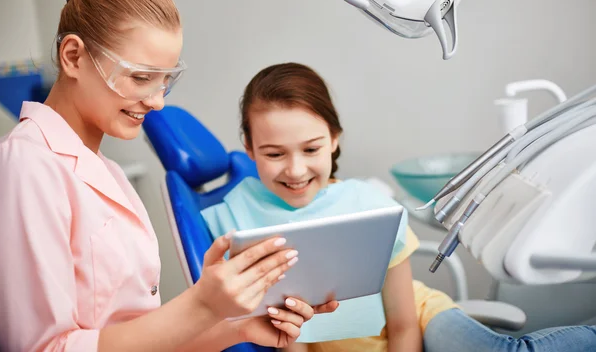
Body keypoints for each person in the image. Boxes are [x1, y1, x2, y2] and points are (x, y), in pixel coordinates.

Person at [0, 0, 337, 352]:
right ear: (73, 57)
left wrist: (239, 327)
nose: (158, 102)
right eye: (141, 77)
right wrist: (202, 303)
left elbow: (137, 336)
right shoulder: (25, 165)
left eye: (166, 81)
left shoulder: (106, 172)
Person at [201, 62, 596, 352]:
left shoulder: (371, 208)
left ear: (334, 139)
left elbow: (405, 324)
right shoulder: (236, 222)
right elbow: (293, 340)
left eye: (311, 148)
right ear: (250, 148)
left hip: (419, 322)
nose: (296, 169)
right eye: (274, 153)